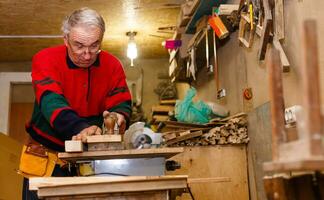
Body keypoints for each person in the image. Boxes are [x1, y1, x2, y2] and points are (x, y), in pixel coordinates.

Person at [20, 7, 132, 199]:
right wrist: (82, 128)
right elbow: (52, 103)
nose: (87, 55)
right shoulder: (45, 59)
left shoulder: (112, 65)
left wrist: (117, 118)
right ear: (66, 39)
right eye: (79, 45)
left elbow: (120, 102)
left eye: (95, 45)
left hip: (89, 162)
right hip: (45, 159)